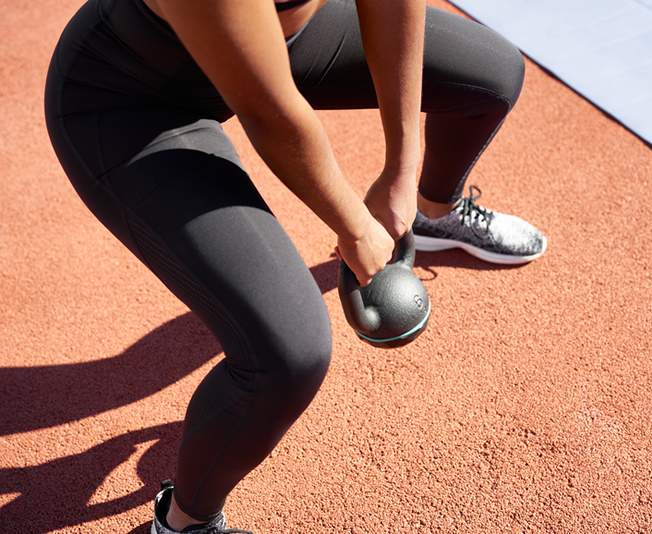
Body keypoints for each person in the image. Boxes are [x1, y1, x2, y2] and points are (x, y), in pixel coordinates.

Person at [43, 0, 547, 531]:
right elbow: (274, 115)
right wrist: (357, 228)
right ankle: (185, 523)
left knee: (491, 75)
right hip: (134, 99)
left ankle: (433, 214)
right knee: (288, 354)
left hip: (276, 43)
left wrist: (401, 173)